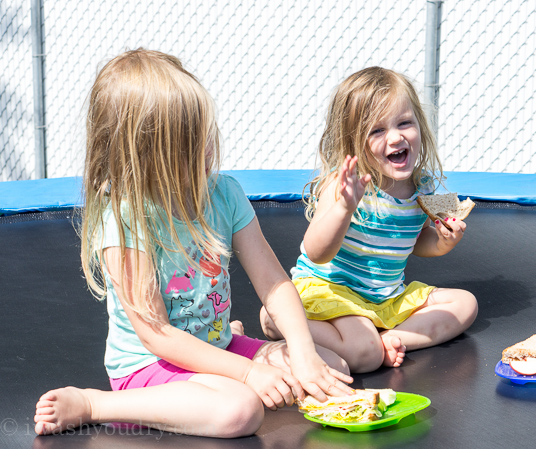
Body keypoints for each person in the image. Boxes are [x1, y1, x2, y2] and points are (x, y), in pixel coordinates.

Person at [34, 49, 353, 439]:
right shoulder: (126, 219)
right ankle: (95, 404)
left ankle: (227, 358)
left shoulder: (224, 194)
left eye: (204, 133)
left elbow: (272, 281)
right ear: (146, 155)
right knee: (239, 410)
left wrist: (302, 352)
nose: (205, 150)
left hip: (216, 345)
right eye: (187, 144)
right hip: (150, 365)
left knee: (332, 366)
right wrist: (250, 371)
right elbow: (157, 335)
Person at [260, 67, 478, 373]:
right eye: (377, 131)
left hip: (385, 298)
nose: (396, 137)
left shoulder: (424, 186)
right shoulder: (344, 185)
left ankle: (393, 338)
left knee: (465, 304)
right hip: (333, 291)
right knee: (365, 355)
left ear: (420, 126)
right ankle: (279, 320)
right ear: (354, 142)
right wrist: (344, 209)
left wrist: (444, 240)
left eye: (405, 123)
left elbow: (417, 241)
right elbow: (315, 251)